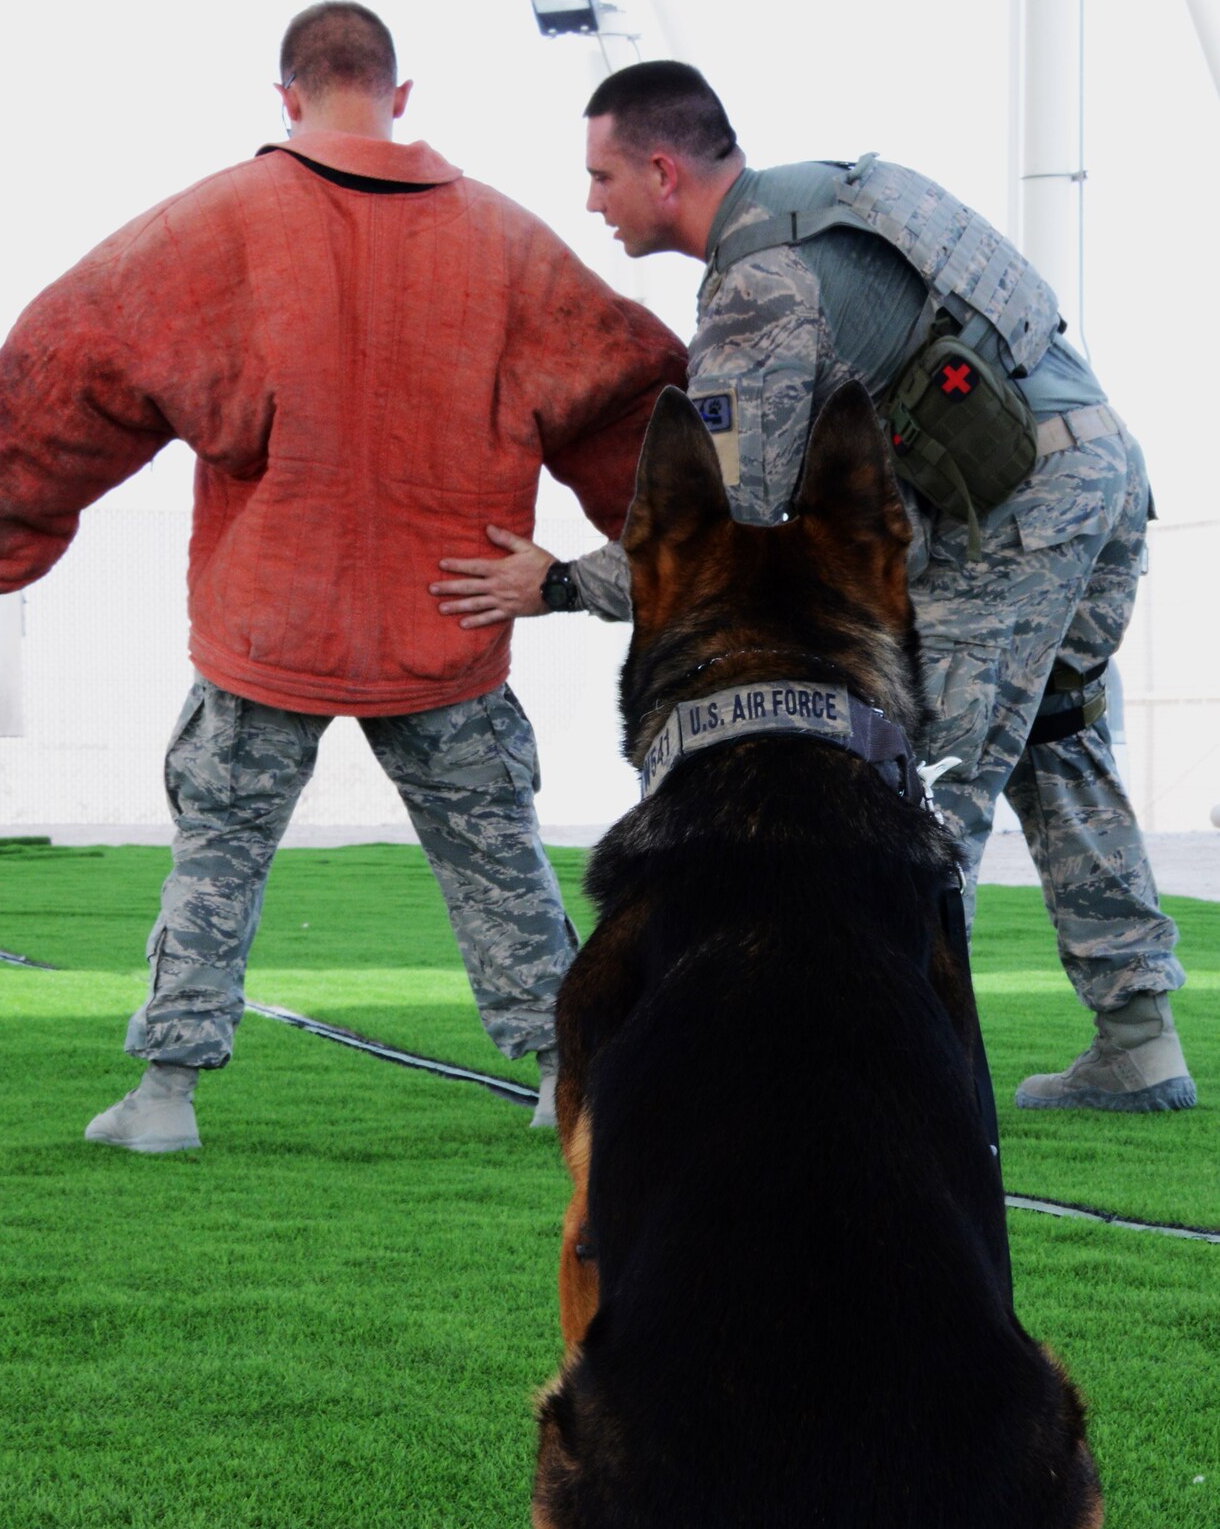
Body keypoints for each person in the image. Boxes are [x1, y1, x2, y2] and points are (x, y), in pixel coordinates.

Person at [0, 4, 685, 1152]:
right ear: (401, 94)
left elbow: (67, 360)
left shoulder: (215, 226)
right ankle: (564, 1075)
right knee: (494, 855)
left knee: (217, 856)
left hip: (269, 617)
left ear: (287, 97)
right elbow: (638, 395)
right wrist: (641, 565)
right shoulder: (510, 241)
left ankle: (167, 1097)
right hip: (450, 612)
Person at [433, 60, 1194, 1115]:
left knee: (913, 779)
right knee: (1057, 739)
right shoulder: (849, 189)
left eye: (602, 177)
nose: (590, 204)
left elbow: (725, 515)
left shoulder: (757, 285)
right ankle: (1138, 1037)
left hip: (1012, 517)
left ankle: (902, 1078)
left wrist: (559, 581)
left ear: (662, 170)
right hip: (1097, 467)